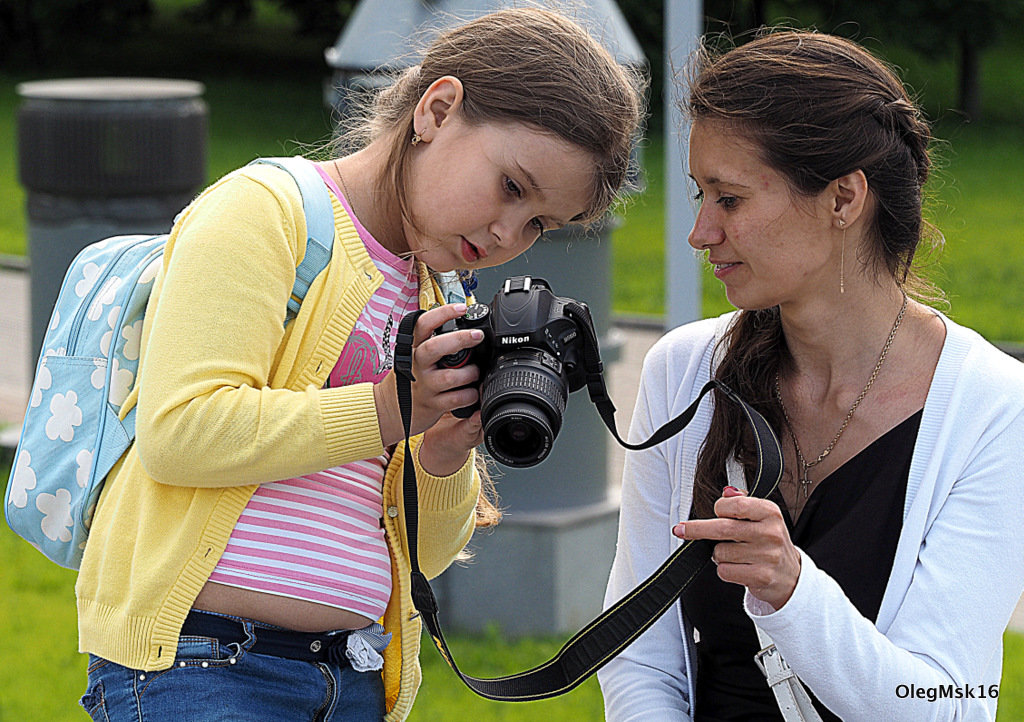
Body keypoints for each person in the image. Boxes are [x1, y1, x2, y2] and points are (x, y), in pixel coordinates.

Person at [75, 8, 645, 722]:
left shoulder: (438, 295)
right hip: (201, 665)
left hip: (352, 679)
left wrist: (442, 453)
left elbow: (427, 557)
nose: (509, 233)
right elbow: (180, 428)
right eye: (510, 186)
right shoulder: (269, 211)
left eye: (538, 224)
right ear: (437, 110)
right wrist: (384, 410)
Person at [598, 29, 1024, 721]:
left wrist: (793, 591)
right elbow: (639, 653)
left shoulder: (995, 409)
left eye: (729, 199)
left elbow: (941, 703)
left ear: (844, 199)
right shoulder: (683, 374)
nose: (700, 232)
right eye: (700, 195)